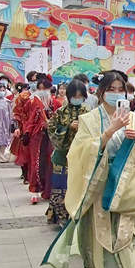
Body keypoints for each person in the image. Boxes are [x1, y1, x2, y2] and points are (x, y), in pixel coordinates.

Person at [42, 70, 135, 268]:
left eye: (120, 89)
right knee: (99, 237)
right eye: (111, 88)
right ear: (101, 92)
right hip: (98, 185)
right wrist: (108, 132)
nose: (116, 93)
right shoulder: (89, 119)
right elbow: (79, 152)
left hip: (124, 187)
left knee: (123, 238)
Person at [45, 78, 89, 225]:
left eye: (80, 97)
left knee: (77, 187)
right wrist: (67, 128)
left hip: (81, 157)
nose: (77, 99)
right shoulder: (59, 112)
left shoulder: (89, 113)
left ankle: (76, 216)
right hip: (62, 157)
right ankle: (60, 217)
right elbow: (51, 132)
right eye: (74, 97)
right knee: (60, 187)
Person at [24, 75, 54, 204]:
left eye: (45, 88)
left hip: (51, 136)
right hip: (36, 136)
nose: (42, 91)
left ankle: (47, 190)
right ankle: (34, 190)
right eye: (40, 88)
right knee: (35, 162)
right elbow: (27, 119)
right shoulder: (31, 102)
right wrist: (26, 132)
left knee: (49, 162)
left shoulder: (54, 102)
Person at [10, 78, 34, 181]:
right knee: (24, 151)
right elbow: (17, 113)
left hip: (38, 127)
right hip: (24, 126)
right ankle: (25, 174)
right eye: (33, 81)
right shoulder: (23, 96)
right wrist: (17, 127)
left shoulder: (46, 97)